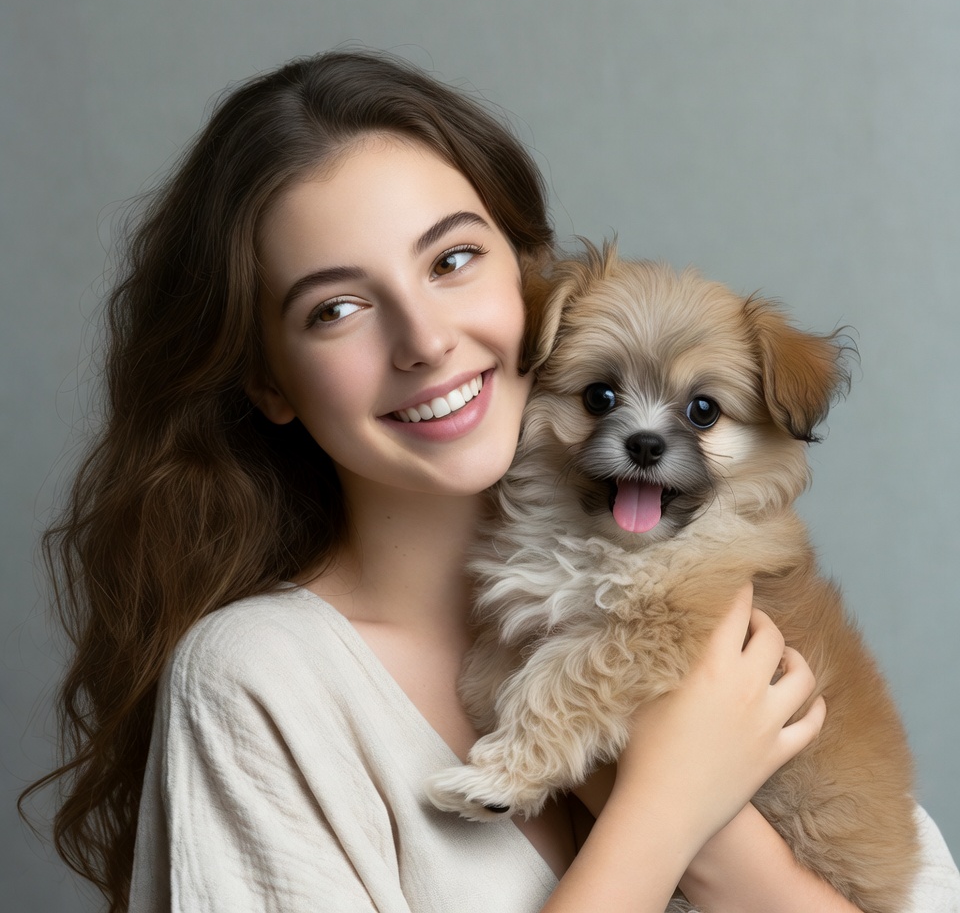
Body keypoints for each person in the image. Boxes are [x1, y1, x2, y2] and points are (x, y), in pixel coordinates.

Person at [25, 50, 959, 913]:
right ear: (268, 379)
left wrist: (723, 840)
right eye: (337, 307)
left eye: (453, 258)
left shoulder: (720, 596)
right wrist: (666, 812)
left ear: (529, 282)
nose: (425, 340)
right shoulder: (260, 684)